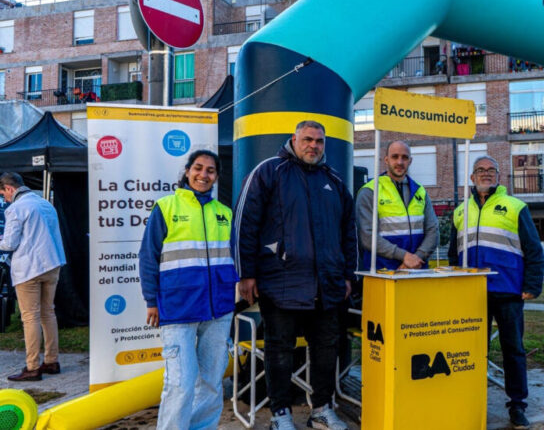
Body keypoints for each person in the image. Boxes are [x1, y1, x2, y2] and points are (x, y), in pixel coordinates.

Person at [233, 120, 356, 430]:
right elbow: (244, 223)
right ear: (294, 139)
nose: (313, 145)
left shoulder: (334, 181)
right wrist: (245, 274)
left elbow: (348, 233)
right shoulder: (269, 171)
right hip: (280, 282)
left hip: (326, 284)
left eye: (319, 141)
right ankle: (280, 415)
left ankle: (322, 410)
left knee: (326, 350)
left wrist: (347, 276)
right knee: (279, 350)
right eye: (307, 139)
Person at [138, 150, 237, 429]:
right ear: (187, 171)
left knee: (212, 382)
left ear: (216, 176)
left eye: (210, 171)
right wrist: (151, 300)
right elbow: (148, 257)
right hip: (177, 308)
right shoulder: (166, 207)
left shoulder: (224, 213)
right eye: (198, 168)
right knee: (180, 384)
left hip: (218, 309)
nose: (203, 175)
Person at [448, 156, 544, 429]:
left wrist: (532, 285)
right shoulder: (460, 211)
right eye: (480, 170)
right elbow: (455, 252)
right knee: (474, 350)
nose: (486, 174)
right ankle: (471, 400)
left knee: (513, 350)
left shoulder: (515, 207)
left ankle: (517, 405)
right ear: (472, 177)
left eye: (491, 170)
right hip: (472, 292)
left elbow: (534, 249)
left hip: (508, 291)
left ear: (499, 176)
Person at [0, 172, 66, 382]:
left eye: (3, 194)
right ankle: (51, 361)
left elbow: (10, 244)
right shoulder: (45, 203)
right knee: (48, 313)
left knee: (30, 317)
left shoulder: (16, 208)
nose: (4, 199)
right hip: (52, 263)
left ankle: (32, 367)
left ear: (9, 189)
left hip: (29, 267)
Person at [356, 140, 438, 271]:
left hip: (417, 271)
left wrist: (415, 259)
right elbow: (367, 237)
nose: (400, 162)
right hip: (382, 272)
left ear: (410, 161)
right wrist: (404, 256)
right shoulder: (370, 191)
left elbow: (433, 231)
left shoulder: (420, 191)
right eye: (395, 157)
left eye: (405, 157)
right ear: (386, 160)